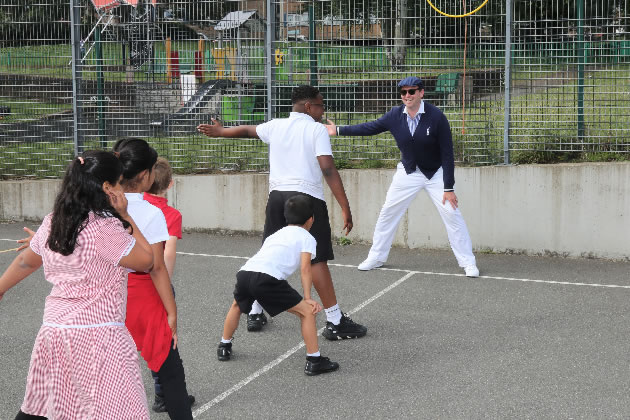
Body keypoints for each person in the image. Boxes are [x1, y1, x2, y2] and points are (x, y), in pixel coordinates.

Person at [198, 85, 367, 340]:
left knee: (270, 252)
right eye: (320, 106)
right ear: (308, 106)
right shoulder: (316, 129)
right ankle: (335, 320)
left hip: (277, 198)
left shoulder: (276, 125)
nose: (323, 111)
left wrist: (221, 132)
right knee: (317, 258)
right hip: (306, 197)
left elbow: (247, 130)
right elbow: (328, 169)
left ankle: (255, 311)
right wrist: (345, 206)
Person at [0, 151, 154, 420]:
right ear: (107, 188)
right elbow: (147, 261)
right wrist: (125, 215)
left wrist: (1, 287)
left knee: (48, 404)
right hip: (98, 335)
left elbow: (26, 262)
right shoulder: (105, 228)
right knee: (116, 410)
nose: (122, 188)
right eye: (119, 182)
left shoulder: (53, 221)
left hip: (54, 331)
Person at [325, 76, 479, 277]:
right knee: (388, 212)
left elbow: (447, 154)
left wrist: (448, 187)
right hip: (408, 172)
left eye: (411, 91)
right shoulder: (395, 115)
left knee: (452, 213)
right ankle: (376, 257)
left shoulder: (437, 117)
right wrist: (337, 130)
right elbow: (370, 127)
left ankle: (468, 262)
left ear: (421, 93)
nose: (407, 95)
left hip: (435, 173)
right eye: (403, 92)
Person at [113, 138, 194, 420]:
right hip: (145, 294)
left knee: (109, 371)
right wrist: (171, 312)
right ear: (145, 175)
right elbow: (157, 267)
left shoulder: (96, 206)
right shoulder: (151, 212)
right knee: (170, 371)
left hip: (108, 294)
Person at [216, 194, 339, 376]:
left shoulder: (275, 235)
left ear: (286, 217)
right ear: (311, 219)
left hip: (245, 273)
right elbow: (306, 268)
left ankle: (224, 346)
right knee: (307, 312)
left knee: (237, 306)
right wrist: (307, 298)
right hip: (267, 279)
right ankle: (314, 361)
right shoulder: (307, 237)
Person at [141, 157, 186, 413]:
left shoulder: (136, 205)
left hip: (132, 280)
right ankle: (163, 394)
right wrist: (164, 282)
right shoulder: (170, 214)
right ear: (170, 184)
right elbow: (168, 252)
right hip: (156, 280)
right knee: (163, 339)